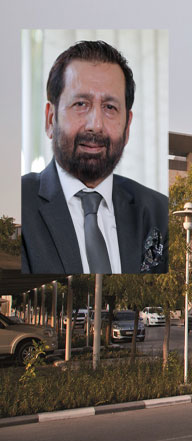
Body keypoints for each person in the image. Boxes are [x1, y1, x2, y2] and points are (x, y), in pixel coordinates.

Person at [21, 40, 168, 274]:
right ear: (50, 119)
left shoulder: (159, 213)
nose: (96, 125)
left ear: (127, 127)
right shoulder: (17, 205)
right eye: (80, 104)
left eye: (110, 107)